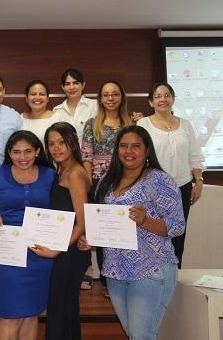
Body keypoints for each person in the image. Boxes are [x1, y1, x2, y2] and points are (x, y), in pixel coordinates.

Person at [79, 126, 185, 340]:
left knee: (141, 336)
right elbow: (104, 225)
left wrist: (145, 221)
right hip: (116, 271)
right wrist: (92, 240)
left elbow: (177, 226)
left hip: (150, 269)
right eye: (124, 146)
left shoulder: (160, 180)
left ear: (147, 151)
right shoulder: (107, 182)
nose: (129, 151)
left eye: (136, 146)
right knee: (135, 335)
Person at [0, 130, 56, 340]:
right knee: (9, 315)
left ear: (37, 152)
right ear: (9, 152)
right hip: (3, 254)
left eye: (27, 151)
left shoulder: (50, 175)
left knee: (32, 315)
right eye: (16, 152)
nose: (22, 157)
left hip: (38, 253)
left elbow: (60, 211)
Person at [137, 82, 205, 267]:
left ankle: (174, 277)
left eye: (166, 95)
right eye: (158, 96)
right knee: (153, 233)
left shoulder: (186, 124)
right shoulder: (143, 124)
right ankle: (153, 276)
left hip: (182, 187)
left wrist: (198, 182)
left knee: (178, 235)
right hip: (154, 189)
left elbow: (195, 156)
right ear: (151, 102)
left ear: (173, 99)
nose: (163, 99)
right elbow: (138, 157)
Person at [81, 80, 133, 296]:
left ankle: (127, 277)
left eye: (115, 94)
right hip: (99, 185)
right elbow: (86, 157)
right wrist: (88, 186)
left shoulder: (132, 124)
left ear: (121, 97)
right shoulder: (92, 124)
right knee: (103, 234)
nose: (110, 98)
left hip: (127, 184)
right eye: (106, 95)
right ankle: (107, 280)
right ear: (100, 99)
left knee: (125, 232)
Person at [44, 122, 91, 340]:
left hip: (69, 252)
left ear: (73, 142)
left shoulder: (75, 174)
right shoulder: (60, 171)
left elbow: (82, 222)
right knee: (64, 309)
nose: (56, 148)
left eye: (62, 142)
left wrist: (56, 250)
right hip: (63, 248)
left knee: (61, 308)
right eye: (51, 144)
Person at [52, 68, 97, 145]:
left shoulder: (95, 105)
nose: (71, 87)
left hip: (91, 156)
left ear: (83, 85)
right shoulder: (57, 110)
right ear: (62, 87)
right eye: (67, 84)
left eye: (75, 83)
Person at [20, 80, 57, 144]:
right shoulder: (20, 118)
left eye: (42, 94)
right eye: (33, 94)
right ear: (26, 98)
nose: (37, 97)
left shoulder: (57, 118)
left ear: (48, 98)